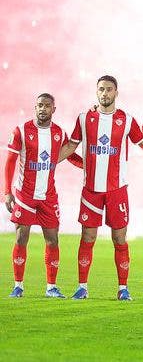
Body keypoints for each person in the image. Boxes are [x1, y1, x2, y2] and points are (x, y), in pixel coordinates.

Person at [58, 75, 143, 300]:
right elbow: (71, 145)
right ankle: (82, 287)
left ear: (116, 93)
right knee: (87, 238)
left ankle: (123, 288)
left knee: (119, 239)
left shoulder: (127, 120)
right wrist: (49, 163)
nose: (105, 93)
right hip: (91, 190)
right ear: (96, 91)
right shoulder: (84, 118)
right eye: (101, 89)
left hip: (117, 190)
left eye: (109, 89)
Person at [4, 93, 82, 298]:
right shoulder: (21, 130)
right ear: (35, 107)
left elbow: (70, 155)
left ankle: (51, 288)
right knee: (21, 238)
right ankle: (18, 286)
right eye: (39, 105)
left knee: (52, 240)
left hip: (48, 196)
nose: (43, 109)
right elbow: (10, 161)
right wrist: (6, 192)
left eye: (47, 106)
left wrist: (87, 165)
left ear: (53, 109)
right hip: (25, 195)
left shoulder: (58, 133)